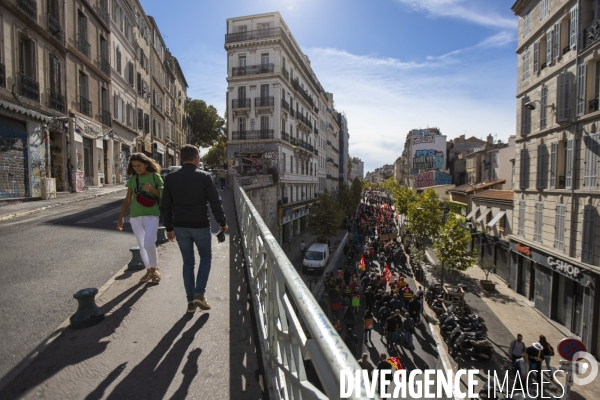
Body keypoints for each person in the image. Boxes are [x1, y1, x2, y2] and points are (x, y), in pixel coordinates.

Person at [161, 145, 228, 313]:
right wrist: (222, 222)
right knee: (205, 257)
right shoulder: (204, 177)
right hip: (200, 225)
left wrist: (169, 227)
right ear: (196, 158)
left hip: (180, 226)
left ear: (180, 158)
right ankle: (199, 293)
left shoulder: (170, 178)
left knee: (188, 262)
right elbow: (215, 202)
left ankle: (190, 302)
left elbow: (166, 206)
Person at [117, 153, 164, 284]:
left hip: (152, 215)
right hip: (135, 217)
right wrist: (121, 217)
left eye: (139, 165)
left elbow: (163, 194)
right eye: (134, 166)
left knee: (149, 243)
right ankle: (149, 271)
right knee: (142, 245)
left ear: (146, 164)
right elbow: (127, 200)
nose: (137, 168)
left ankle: (154, 269)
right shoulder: (133, 179)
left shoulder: (155, 176)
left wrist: (152, 189)